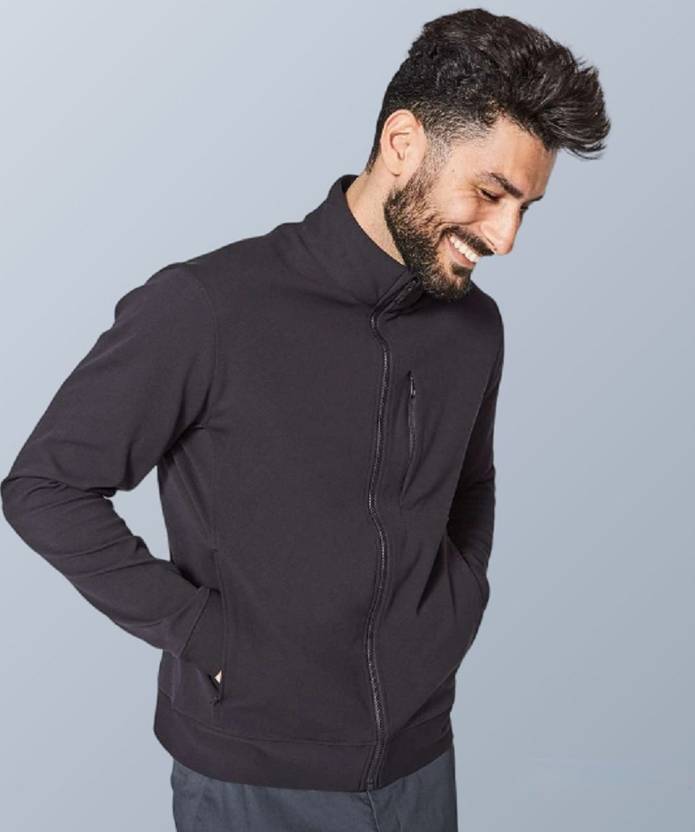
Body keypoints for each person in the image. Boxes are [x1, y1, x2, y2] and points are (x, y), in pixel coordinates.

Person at [0, 8, 610, 831]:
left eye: (525, 208)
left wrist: (453, 607)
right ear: (403, 143)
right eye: (490, 193)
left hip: (420, 761)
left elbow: (469, 484)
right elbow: (44, 488)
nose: (504, 238)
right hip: (253, 774)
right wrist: (209, 638)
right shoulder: (208, 307)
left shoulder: (474, 329)